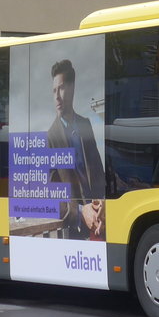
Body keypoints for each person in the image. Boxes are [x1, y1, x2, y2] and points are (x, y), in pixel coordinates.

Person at [47, 59, 105, 239]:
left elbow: (98, 172)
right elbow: (49, 195)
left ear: (72, 88)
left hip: (100, 222)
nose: (57, 96)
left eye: (61, 88)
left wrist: (103, 204)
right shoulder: (50, 136)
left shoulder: (85, 124)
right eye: (54, 90)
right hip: (74, 231)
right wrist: (81, 211)